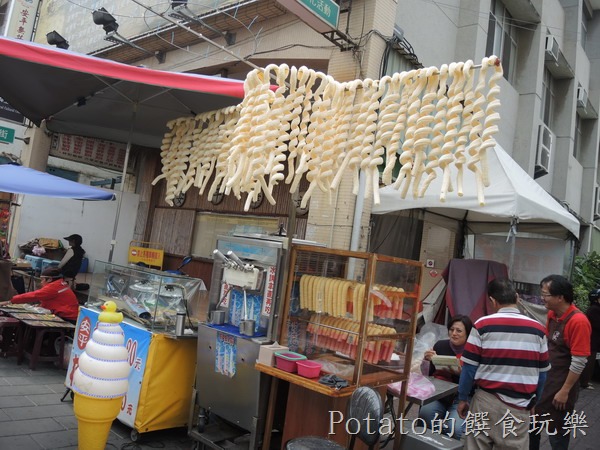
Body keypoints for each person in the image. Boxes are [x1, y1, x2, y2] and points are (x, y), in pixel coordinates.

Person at [457, 278, 550, 449]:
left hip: (486, 402)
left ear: (492, 300)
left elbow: (469, 369)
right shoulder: (539, 330)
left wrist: (462, 398)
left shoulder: (482, 325)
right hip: (520, 406)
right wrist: (534, 401)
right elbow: (542, 374)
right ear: (517, 297)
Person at [530, 274, 591, 450]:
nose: (542, 298)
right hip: (546, 381)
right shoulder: (552, 314)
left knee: (557, 433)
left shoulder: (578, 321)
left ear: (560, 297)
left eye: (545, 294)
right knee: (532, 426)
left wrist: (565, 390)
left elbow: (579, 361)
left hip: (561, 384)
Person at [419, 315, 473, 439]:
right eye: (451, 329)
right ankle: (429, 443)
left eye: (459, 331)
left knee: (454, 428)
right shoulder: (440, 346)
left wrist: (462, 374)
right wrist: (427, 360)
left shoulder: (472, 352)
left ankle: (447, 445)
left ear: (468, 334)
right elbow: (430, 374)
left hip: (462, 397)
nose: (454, 333)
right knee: (426, 414)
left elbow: (476, 382)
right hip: (440, 394)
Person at [1, 267, 79, 322]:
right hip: (69, 314)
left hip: (67, 317)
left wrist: (9, 301)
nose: (41, 282)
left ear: (49, 279)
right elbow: (53, 300)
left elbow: (33, 295)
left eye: (42, 280)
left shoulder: (54, 287)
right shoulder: (60, 284)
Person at [580, 288, 600, 388]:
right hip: (591, 340)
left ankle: (585, 381)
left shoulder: (595, 308)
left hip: (594, 340)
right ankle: (584, 383)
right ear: (595, 299)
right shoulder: (594, 309)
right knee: (589, 362)